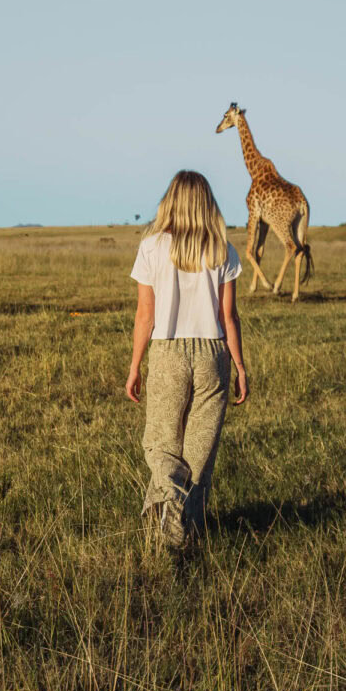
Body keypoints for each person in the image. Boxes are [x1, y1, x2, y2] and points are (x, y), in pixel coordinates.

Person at [125, 170, 248, 551]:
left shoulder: (152, 246)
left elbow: (145, 314)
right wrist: (240, 367)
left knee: (161, 446)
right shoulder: (222, 248)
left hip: (167, 351)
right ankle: (181, 537)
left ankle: (167, 521)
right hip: (213, 354)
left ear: (171, 201)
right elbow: (229, 316)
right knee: (199, 456)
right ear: (206, 203)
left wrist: (134, 367)